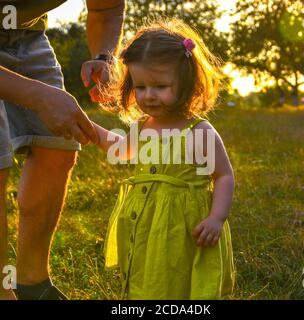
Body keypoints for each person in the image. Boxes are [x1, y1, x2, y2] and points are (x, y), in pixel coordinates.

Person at [0, 0, 125, 299]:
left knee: (58, 146)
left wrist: (103, 56)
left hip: (26, 34)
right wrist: (38, 97)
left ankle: (33, 284)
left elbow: (107, 8)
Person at [91, 19, 235, 299]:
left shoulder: (199, 131)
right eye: (141, 87)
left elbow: (224, 176)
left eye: (160, 86)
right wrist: (93, 132)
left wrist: (217, 218)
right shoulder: (144, 126)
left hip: (184, 225)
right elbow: (121, 150)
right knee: (149, 274)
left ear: (187, 82)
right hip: (146, 221)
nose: (149, 96)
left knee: (180, 275)